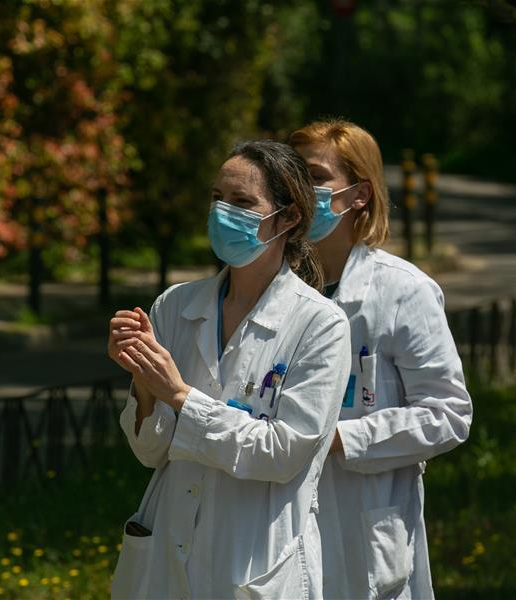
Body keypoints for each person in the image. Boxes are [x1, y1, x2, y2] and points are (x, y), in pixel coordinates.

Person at [106, 140, 351, 599]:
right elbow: (149, 452)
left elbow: (283, 453)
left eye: (242, 202)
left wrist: (179, 395)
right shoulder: (176, 306)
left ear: (289, 218)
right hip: (166, 551)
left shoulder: (320, 324)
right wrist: (143, 379)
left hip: (254, 558)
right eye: (217, 198)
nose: (223, 213)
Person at [289, 119, 472, 599]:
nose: (299, 189)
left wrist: (340, 439)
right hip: (277, 521)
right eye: (291, 175)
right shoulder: (271, 288)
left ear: (359, 195)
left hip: (363, 530)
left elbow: (448, 414)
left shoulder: (401, 291)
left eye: (315, 176)